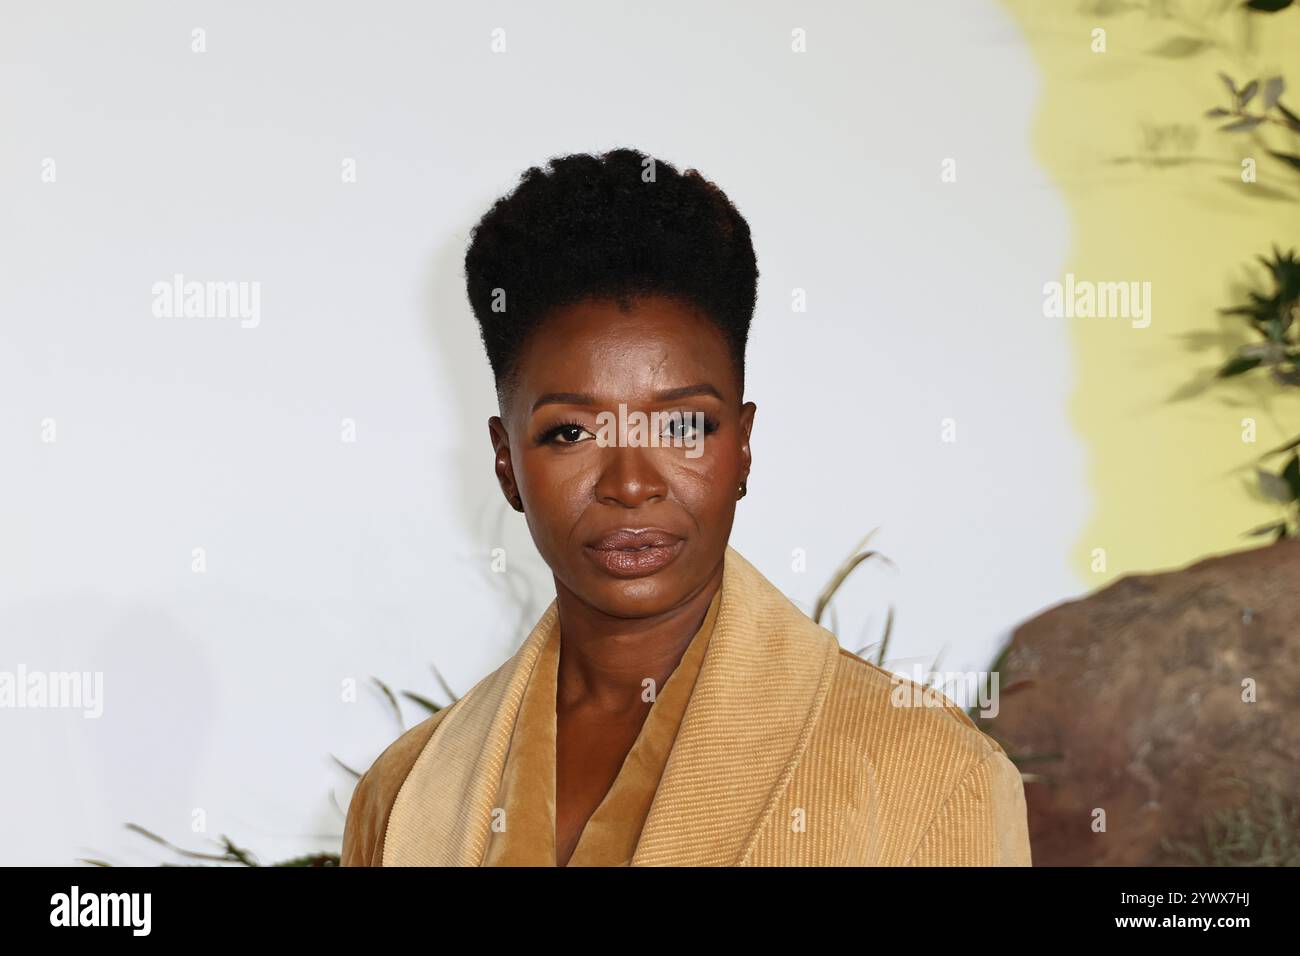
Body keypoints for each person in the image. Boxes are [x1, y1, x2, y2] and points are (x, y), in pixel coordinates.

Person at [341, 147, 1031, 866]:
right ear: (507, 463)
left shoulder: (932, 774)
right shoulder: (402, 794)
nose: (631, 483)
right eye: (572, 431)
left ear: (743, 449)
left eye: (681, 426)